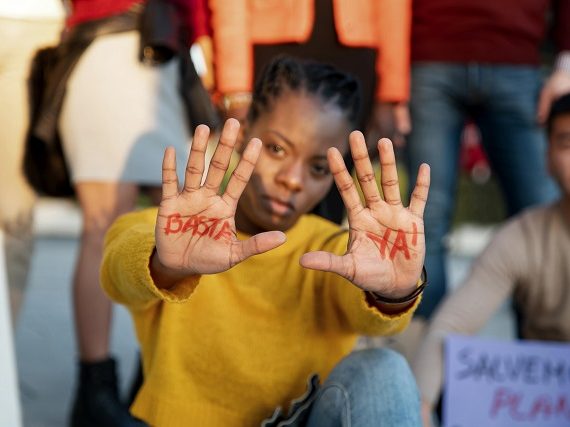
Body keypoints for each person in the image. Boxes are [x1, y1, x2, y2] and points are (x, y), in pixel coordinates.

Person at [101, 56, 430, 426]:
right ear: (242, 132)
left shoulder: (334, 251)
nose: (292, 179)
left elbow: (373, 323)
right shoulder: (172, 233)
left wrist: (393, 293)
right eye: (276, 149)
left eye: (318, 167)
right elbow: (117, 274)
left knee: (383, 369)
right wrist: (165, 263)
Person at [58, 1, 211, 425]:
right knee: (100, 225)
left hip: (166, 55)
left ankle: (158, 376)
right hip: (111, 44)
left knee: (185, 231)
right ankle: (95, 392)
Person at [404, 0, 570, 329]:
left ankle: (545, 355)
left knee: (545, 213)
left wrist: (567, 62)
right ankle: (419, 363)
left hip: (515, 53)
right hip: (432, 50)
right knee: (424, 220)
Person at [412, 93, 570, 427]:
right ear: (547, 158)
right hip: (543, 407)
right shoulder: (522, 237)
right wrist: (420, 405)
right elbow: (451, 326)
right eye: (567, 143)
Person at [0, 0, 64, 323]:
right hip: (33, 23)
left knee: (15, 211)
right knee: (15, 215)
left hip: (34, 24)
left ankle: (3, 358)